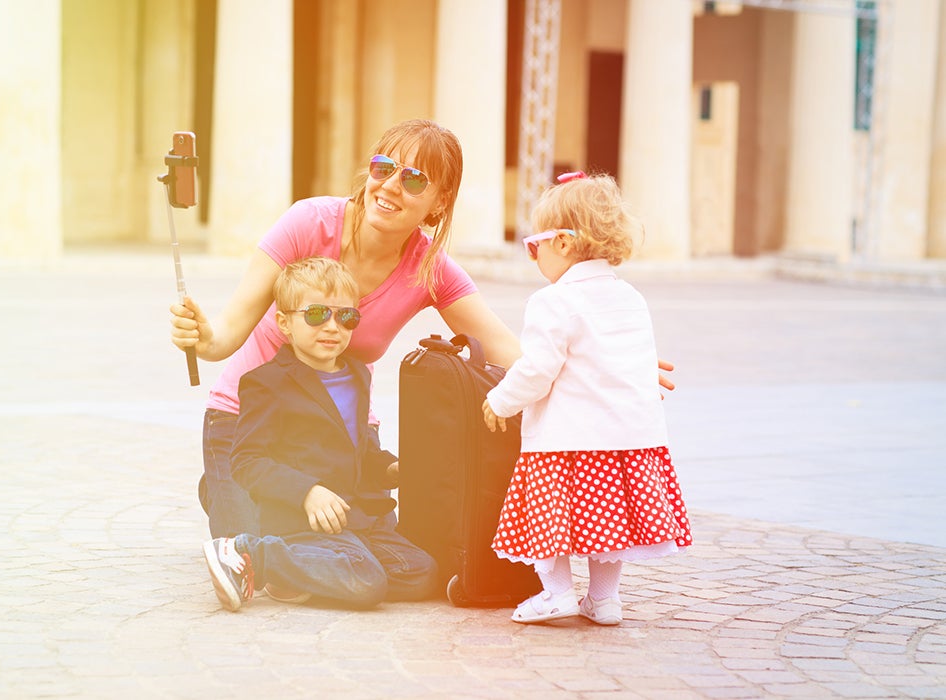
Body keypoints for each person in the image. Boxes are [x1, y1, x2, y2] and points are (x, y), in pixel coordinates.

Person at [170, 118, 674, 539]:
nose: (390, 186)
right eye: (383, 168)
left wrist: (608, 366)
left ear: (438, 199)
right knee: (254, 549)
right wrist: (202, 335)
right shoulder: (308, 223)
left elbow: (510, 350)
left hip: (338, 433)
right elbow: (225, 337)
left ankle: (252, 493)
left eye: (413, 179)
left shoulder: (431, 268)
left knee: (379, 556)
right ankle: (227, 484)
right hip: (246, 425)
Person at [481, 171, 692, 626]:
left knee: (548, 519)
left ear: (563, 243)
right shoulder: (631, 297)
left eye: (533, 246)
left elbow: (537, 369)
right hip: (629, 439)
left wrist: (501, 400)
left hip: (566, 438)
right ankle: (604, 599)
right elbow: (634, 362)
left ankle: (556, 592)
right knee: (607, 522)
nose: (533, 257)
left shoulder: (551, 301)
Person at [202, 257, 439, 611]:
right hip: (300, 521)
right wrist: (307, 492)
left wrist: (391, 468)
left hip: (353, 521)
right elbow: (248, 463)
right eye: (316, 315)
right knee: (367, 583)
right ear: (284, 322)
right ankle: (250, 553)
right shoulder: (266, 383)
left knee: (422, 573)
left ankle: (301, 575)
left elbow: (356, 451)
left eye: (346, 317)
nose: (332, 327)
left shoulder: (358, 376)